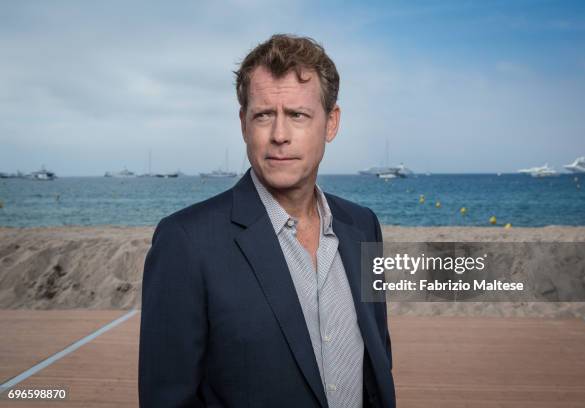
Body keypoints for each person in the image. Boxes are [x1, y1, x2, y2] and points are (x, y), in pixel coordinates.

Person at [138, 34, 395, 408]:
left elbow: (376, 359)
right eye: (263, 115)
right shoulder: (186, 243)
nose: (279, 135)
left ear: (331, 123)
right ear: (244, 123)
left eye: (297, 115)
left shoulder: (364, 226)